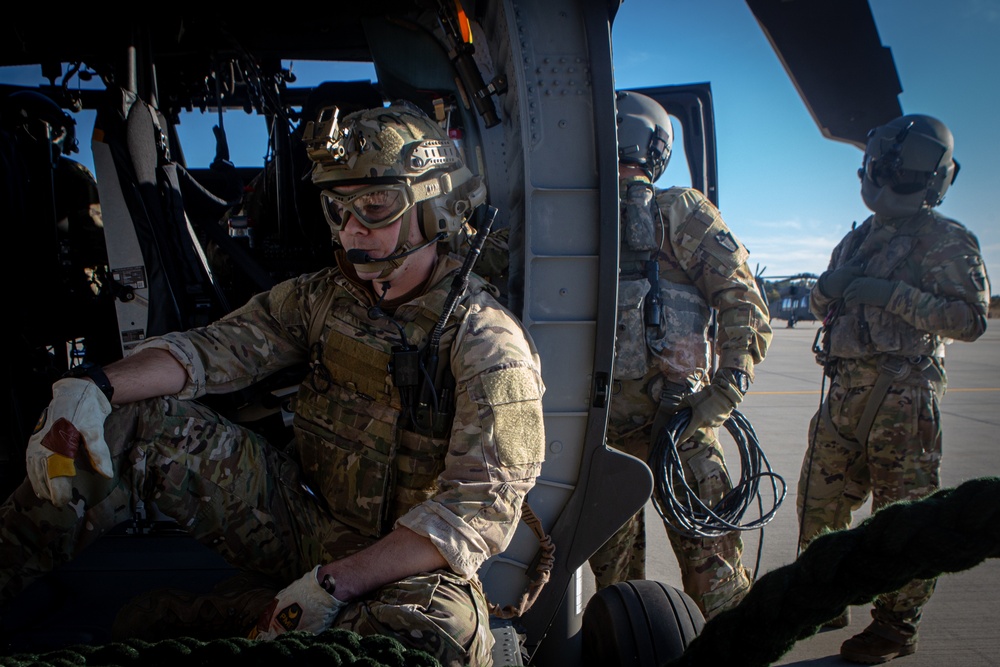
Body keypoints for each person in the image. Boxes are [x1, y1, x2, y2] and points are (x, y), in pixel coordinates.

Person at [0, 100, 547, 667]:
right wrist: (91, 387)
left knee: (442, 635)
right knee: (133, 422)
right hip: (307, 526)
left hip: (409, 564)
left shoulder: (486, 341)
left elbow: (474, 513)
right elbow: (212, 350)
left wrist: (333, 585)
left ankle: (244, 617)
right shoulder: (321, 297)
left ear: (432, 207)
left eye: (376, 206)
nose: (352, 227)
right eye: (338, 208)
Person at [798, 113, 990, 664]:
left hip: (902, 397)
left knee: (902, 516)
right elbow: (823, 305)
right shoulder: (857, 239)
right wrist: (824, 291)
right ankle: (825, 596)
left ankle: (896, 625)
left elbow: (969, 320)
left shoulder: (946, 240)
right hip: (842, 393)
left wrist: (892, 295)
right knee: (819, 504)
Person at [587, 91, 772, 620]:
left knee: (617, 589)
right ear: (659, 148)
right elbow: (743, 301)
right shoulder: (682, 210)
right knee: (715, 579)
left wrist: (721, 396)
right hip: (682, 425)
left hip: (611, 434)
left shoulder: (566, 214)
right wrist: (724, 392)